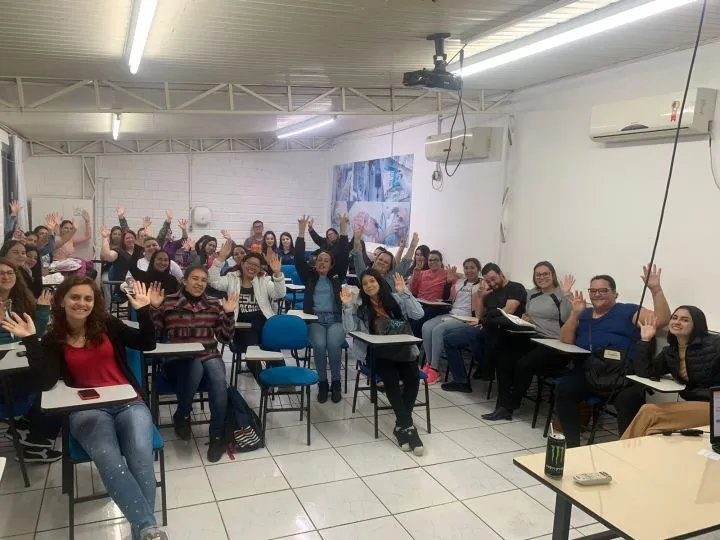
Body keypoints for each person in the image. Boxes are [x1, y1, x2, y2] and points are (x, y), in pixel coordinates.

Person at [5, 278, 167, 540]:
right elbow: (46, 381)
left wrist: (145, 311)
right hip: (86, 409)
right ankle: (148, 529)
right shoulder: (54, 337)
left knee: (141, 456)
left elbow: (146, 343)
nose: (81, 303)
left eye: (88, 299)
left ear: (95, 302)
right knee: (109, 459)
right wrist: (30, 340)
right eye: (75, 297)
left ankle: (143, 532)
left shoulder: (108, 325)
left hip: (129, 402)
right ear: (62, 300)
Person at [555, 266, 671, 447]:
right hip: (590, 373)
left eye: (603, 290)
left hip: (622, 376)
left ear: (615, 294)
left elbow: (661, 320)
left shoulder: (628, 311)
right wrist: (574, 314)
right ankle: (572, 445)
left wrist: (655, 289)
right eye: (593, 291)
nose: (597, 294)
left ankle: (625, 450)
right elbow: (565, 339)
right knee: (564, 389)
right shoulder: (583, 313)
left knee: (630, 399)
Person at [150, 267, 237, 462]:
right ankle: (182, 414)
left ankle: (216, 436)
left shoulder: (214, 304)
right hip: (176, 359)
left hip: (209, 354)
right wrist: (154, 308)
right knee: (195, 365)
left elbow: (224, 339)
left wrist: (229, 314)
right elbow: (154, 334)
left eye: (204, 280)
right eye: (195, 279)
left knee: (218, 379)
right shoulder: (169, 301)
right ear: (185, 281)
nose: (199, 283)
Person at [341, 270, 425, 455]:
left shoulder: (396, 299)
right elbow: (350, 330)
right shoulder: (360, 307)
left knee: (412, 378)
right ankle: (408, 427)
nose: (369, 285)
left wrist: (405, 293)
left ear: (379, 282)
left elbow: (419, 314)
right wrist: (347, 307)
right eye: (365, 284)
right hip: (377, 353)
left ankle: (401, 425)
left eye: (372, 281)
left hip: (403, 349)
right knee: (391, 379)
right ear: (362, 288)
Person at [483, 262, 574, 420]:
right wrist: (525, 318)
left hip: (553, 343)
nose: (542, 277)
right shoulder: (532, 293)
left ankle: (512, 405)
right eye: (538, 274)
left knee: (524, 363)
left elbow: (567, 319)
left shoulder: (562, 294)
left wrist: (565, 296)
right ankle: (503, 405)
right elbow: (528, 313)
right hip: (531, 336)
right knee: (504, 358)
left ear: (552, 275)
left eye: (546, 274)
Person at [622, 307, 720, 439]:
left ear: (696, 324)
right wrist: (645, 341)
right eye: (674, 318)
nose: (677, 322)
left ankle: (617, 454)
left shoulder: (715, 344)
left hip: (716, 407)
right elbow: (645, 372)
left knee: (649, 411)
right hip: (696, 404)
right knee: (651, 430)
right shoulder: (671, 351)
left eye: (685, 320)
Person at [0, 260, 58, 462]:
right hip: (4, 376)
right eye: (1, 273)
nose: (6, 277)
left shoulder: (20, 302)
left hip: (18, 366)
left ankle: (28, 430)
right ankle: (30, 432)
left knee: (54, 378)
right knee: (47, 382)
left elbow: (34, 334)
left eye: (10, 273)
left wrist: (42, 310)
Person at [442, 263, 528, 392]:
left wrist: (486, 322)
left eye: (494, 279)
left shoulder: (515, 287)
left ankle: (486, 366)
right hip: (487, 328)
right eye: (488, 281)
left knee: (471, 333)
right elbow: (479, 315)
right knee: (449, 339)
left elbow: (509, 310)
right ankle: (461, 380)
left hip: (506, 331)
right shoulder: (490, 292)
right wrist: (481, 298)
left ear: (501, 273)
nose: (492, 283)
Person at [209, 242, 286, 376]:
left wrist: (278, 273)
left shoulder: (264, 279)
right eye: (250, 263)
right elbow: (213, 281)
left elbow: (279, 294)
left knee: (273, 345)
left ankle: (283, 378)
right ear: (242, 264)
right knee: (252, 350)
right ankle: (263, 380)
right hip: (242, 325)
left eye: (256, 265)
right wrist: (220, 259)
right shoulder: (231, 278)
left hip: (263, 322)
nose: (253, 267)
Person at [295, 214, 349, 403]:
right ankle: (322, 383)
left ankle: (336, 382)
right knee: (319, 346)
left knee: (333, 346)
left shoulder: (337, 276)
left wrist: (343, 230)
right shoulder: (309, 277)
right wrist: (301, 232)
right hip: (315, 319)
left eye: (326, 260)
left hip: (335, 319)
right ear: (315, 263)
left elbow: (343, 254)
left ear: (331, 264)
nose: (323, 262)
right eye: (320, 260)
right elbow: (298, 260)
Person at [421, 258, 483, 385]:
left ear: (478, 269)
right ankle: (429, 363)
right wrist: (449, 283)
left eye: (472, 267)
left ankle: (435, 369)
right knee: (426, 326)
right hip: (452, 314)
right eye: (466, 268)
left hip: (467, 318)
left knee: (439, 330)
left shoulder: (483, 284)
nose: (469, 270)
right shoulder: (460, 282)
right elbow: (447, 297)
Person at [351, 227, 418, 291]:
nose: (382, 262)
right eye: (380, 259)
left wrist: (412, 247)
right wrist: (357, 240)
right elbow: (357, 256)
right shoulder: (365, 275)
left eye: (386, 262)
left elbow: (405, 263)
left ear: (389, 268)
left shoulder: (392, 278)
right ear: (375, 260)